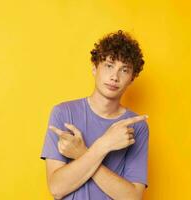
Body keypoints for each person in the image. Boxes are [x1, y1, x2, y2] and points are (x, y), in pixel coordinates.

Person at [40, 30, 149, 200]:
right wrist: (104, 144)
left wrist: (81, 153)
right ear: (94, 68)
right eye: (109, 65)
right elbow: (57, 188)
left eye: (124, 70)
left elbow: (132, 197)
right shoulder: (63, 113)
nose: (114, 76)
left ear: (132, 78)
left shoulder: (136, 126)